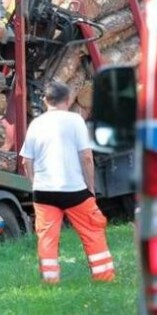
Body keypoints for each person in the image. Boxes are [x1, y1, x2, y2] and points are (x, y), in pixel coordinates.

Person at [19, 81, 115, 283]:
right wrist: (90, 187)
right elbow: (87, 157)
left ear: (45, 100)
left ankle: (50, 280)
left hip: (44, 191)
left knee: (47, 237)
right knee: (92, 230)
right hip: (74, 190)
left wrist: (34, 183)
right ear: (68, 100)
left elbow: (26, 161)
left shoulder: (36, 124)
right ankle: (104, 277)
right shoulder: (75, 120)